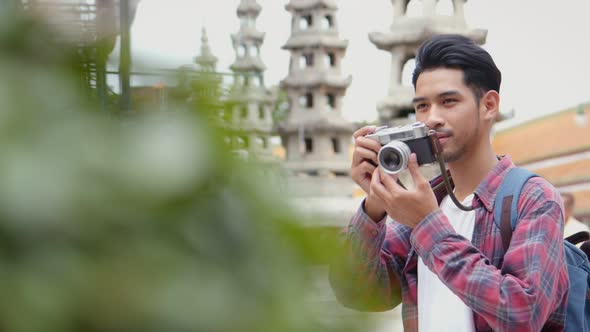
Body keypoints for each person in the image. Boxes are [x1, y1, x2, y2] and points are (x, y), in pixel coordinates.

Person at [329, 34, 569, 331]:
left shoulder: (532, 198)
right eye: (422, 106)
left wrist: (429, 224)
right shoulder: (426, 201)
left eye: (448, 101)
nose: (432, 118)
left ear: (489, 105)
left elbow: (522, 314)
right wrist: (374, 205)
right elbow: (357, 293)